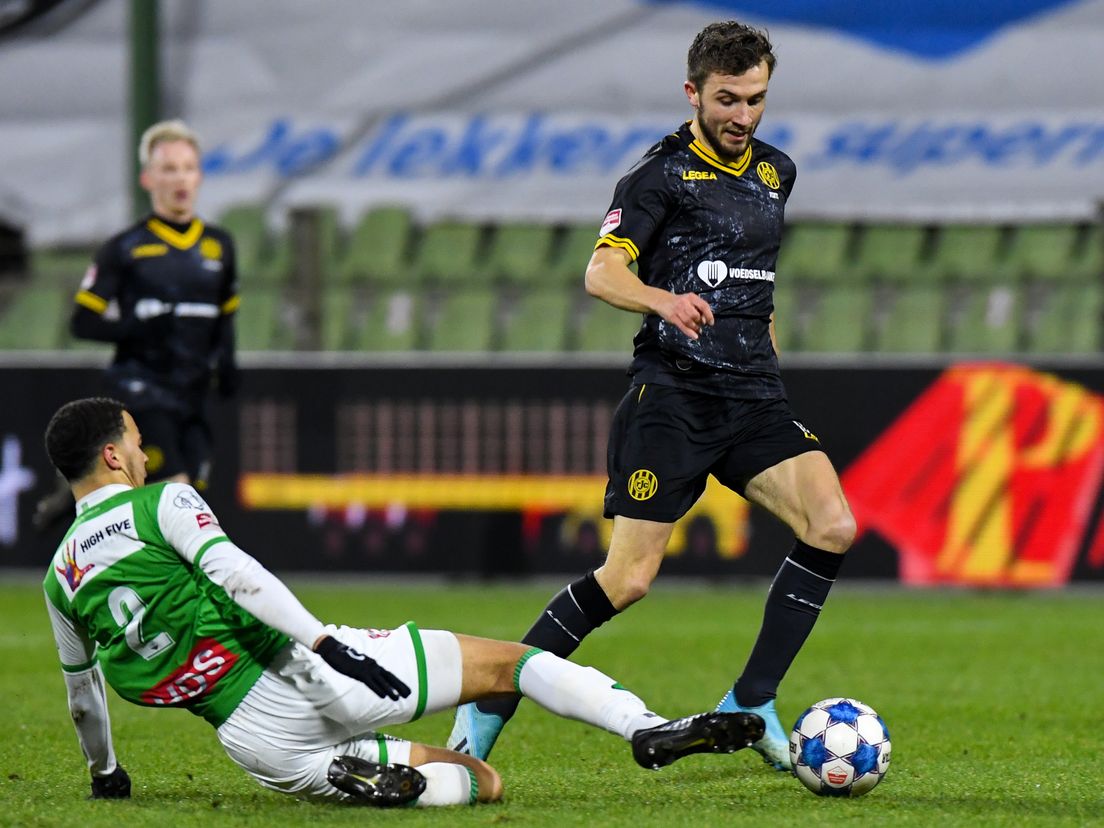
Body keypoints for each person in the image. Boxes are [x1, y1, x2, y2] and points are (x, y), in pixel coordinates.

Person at [449, 20, 855, 772]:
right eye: (728, 100)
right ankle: (489, 699)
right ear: (693, 91)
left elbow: (754, 280)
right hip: (673, 396)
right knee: (627, 580)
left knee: (832, 525)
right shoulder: (656, 177)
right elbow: (600, 273)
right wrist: (663, 302)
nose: (742, 117)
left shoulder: (777, 173)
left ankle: (750, 701)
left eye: (756, 101)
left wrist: (764, 352)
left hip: (753, 398)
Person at [42, 397, 763, 807]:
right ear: (113, 456)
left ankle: (383, 774)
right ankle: (642, 726)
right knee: (514, 665)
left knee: (482, 783)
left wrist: (108, 776)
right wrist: (327, 645)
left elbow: (83, 697)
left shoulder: (59, 577)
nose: (141, 453)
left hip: (252, 744)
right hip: (297, 672)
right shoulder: (157, 502)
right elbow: (238, 573)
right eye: (134, 444)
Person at [33, 119, 238, 530]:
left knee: (188, 497)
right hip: (141, 390)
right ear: (148, 178)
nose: (180, 178)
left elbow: (224, 316)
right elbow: (82, 322)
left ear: (199, 175)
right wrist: (136, 329)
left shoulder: (219, 245)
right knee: (178, 494)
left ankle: (81, 502)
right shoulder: (125, 248)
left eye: (188, 167)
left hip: (191, 394)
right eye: (168, 168)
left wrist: (228, 364)